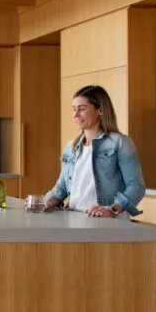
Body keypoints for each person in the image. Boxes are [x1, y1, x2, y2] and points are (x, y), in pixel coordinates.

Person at [44, 85, 145, 218]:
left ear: (100, 110)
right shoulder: (71, 147)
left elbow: (136, 187)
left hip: (107, 223)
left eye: (82, 109)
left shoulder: (120, 143)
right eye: (74, 109)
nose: (75, 114)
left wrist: (112, 210)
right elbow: (62, 187)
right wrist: (44, 201)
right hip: (74, 220)